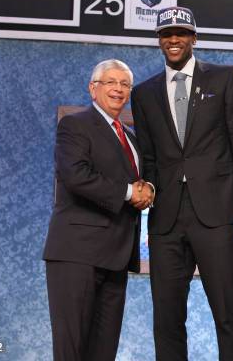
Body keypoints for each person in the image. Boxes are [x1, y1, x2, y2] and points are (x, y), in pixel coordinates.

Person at [131, 6, 233, 361]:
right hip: (166, 221)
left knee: (230, 317)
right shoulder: (143, 94)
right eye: (165, 34)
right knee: (167, 321)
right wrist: (145, 190)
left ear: (193, 38)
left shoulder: (224, 78)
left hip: (218, 215)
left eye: (180, 33)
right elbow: (149, 156)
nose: (173, 40)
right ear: (159, 41)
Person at [43, 59, 153, 361]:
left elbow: (142, 181)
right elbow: (75, 175)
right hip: (77, 254)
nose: (118, 89)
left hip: (117, 258)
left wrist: (149, 190)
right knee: (72, 350)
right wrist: (131, 192)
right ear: (94, 88)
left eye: (125, 84)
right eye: (111, 82)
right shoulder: (75, 125)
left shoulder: (132, 138)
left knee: (104, 353)